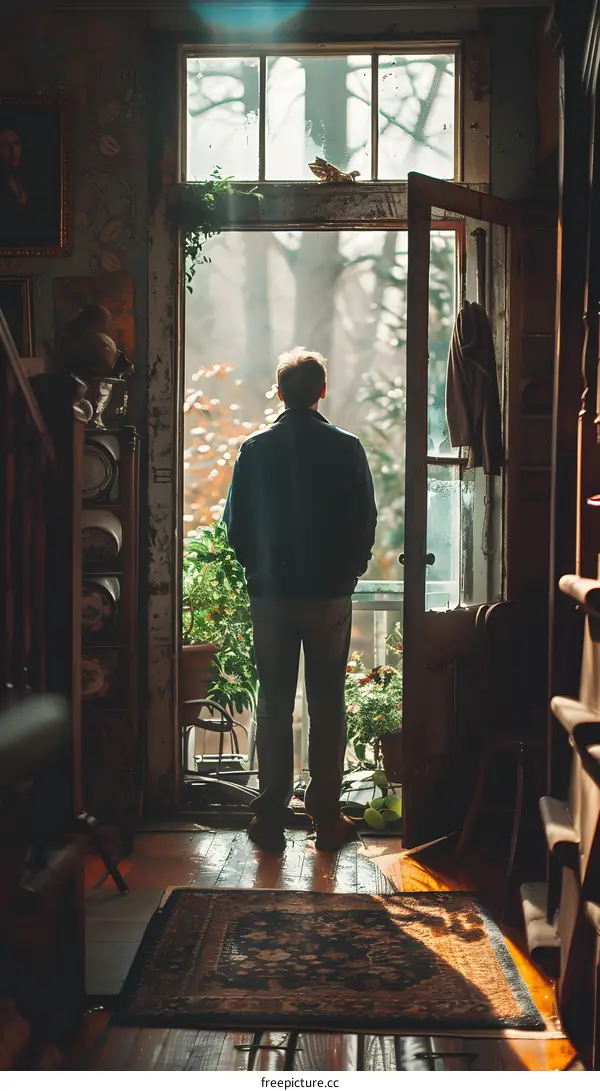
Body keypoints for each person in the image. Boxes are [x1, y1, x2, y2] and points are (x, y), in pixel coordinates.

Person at [223, 347, 377, 853]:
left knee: (273, 702)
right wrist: (348, 574)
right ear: (322, 392)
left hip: (272, 594)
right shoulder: (347, 447)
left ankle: (270, 817)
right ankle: (327, 819)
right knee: (328, 701)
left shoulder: (255, 448)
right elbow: (364, 521)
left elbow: (236, 526)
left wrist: (258, 570)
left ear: (280, 392)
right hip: (329, 594)